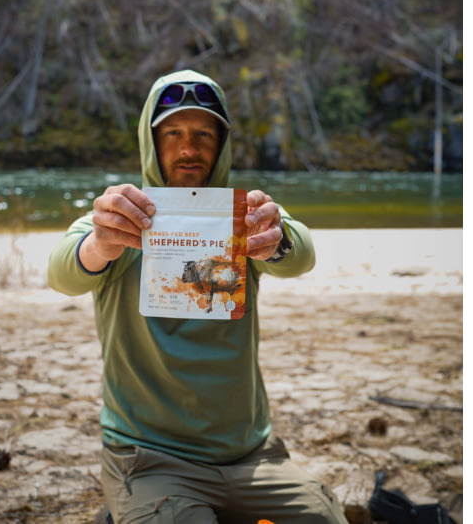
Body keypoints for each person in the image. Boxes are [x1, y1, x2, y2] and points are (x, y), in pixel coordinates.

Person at [47, 69, 348, 524]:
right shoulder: (120, 217)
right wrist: (100, 247)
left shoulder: (243, 215)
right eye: (173, 133)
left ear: (223, 143)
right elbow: (63, 272)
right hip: (150, 457)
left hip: (251, 455)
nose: (189, 148)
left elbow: (299, 252)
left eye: (204, 133)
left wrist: (277, 238)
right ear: (150, 140)